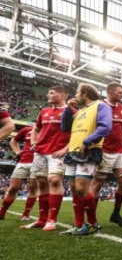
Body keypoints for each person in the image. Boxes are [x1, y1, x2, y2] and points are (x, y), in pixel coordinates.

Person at [60, 83, 112, 235]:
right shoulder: (79, 111)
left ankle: (92, 224)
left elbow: (105, 127)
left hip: (88, 151)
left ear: (85, 94)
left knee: (82, 189)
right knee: (75, 190)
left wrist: (86, 142)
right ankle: (78, 224)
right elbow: (64, 128)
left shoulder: (101, 106)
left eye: (77, 93)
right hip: (72, 152)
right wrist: (68, 110)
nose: (75, 96)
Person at [23, 86, 70, 231]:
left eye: (51, 93)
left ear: (62, 96)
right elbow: (36, 130)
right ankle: (42, 219)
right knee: (42, 183)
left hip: (58, 152)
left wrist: (65, 148)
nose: (47, 95)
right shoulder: (43, 112)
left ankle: (52, 220)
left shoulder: (71, 112)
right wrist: (34, 142)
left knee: (54, 180)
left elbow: (77, 132)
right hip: (41, 152)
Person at [89, 82, 122, 228]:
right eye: (120, 92)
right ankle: (91, 219)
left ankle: (116, 214)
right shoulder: (98, 106)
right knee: (98, 184)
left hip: (119, 151)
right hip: (103, 150)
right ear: (110, 92)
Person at [0, 125, 37, 220]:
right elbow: (13, 140)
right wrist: (17, 151)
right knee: (13, 188)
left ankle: (26, 214)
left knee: (33, 189)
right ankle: (2, 212)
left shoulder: (48, 129)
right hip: (23, 162)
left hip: (38, 163)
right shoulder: (27, 129)